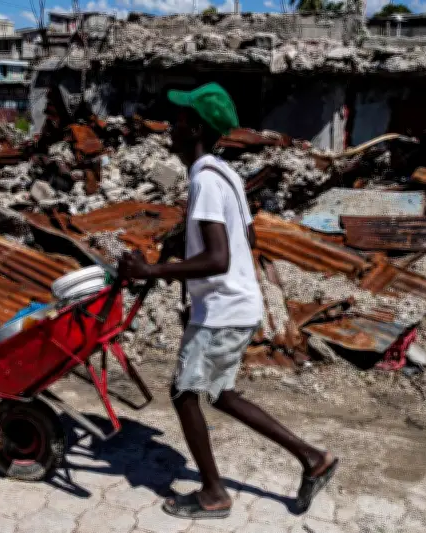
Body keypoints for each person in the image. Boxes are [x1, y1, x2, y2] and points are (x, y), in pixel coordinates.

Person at [118, 83, 338, 520]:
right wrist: (183, 248)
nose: (171, 129)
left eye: (179, 122)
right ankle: (314, 459)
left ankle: (214, 494)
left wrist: (153, 272)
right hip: (232, 302)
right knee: (219, 393)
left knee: (184, 393)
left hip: (223, 307)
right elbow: (247, 236)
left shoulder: (204, 179)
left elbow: (218, 257)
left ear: (195, 128)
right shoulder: (225, 173)